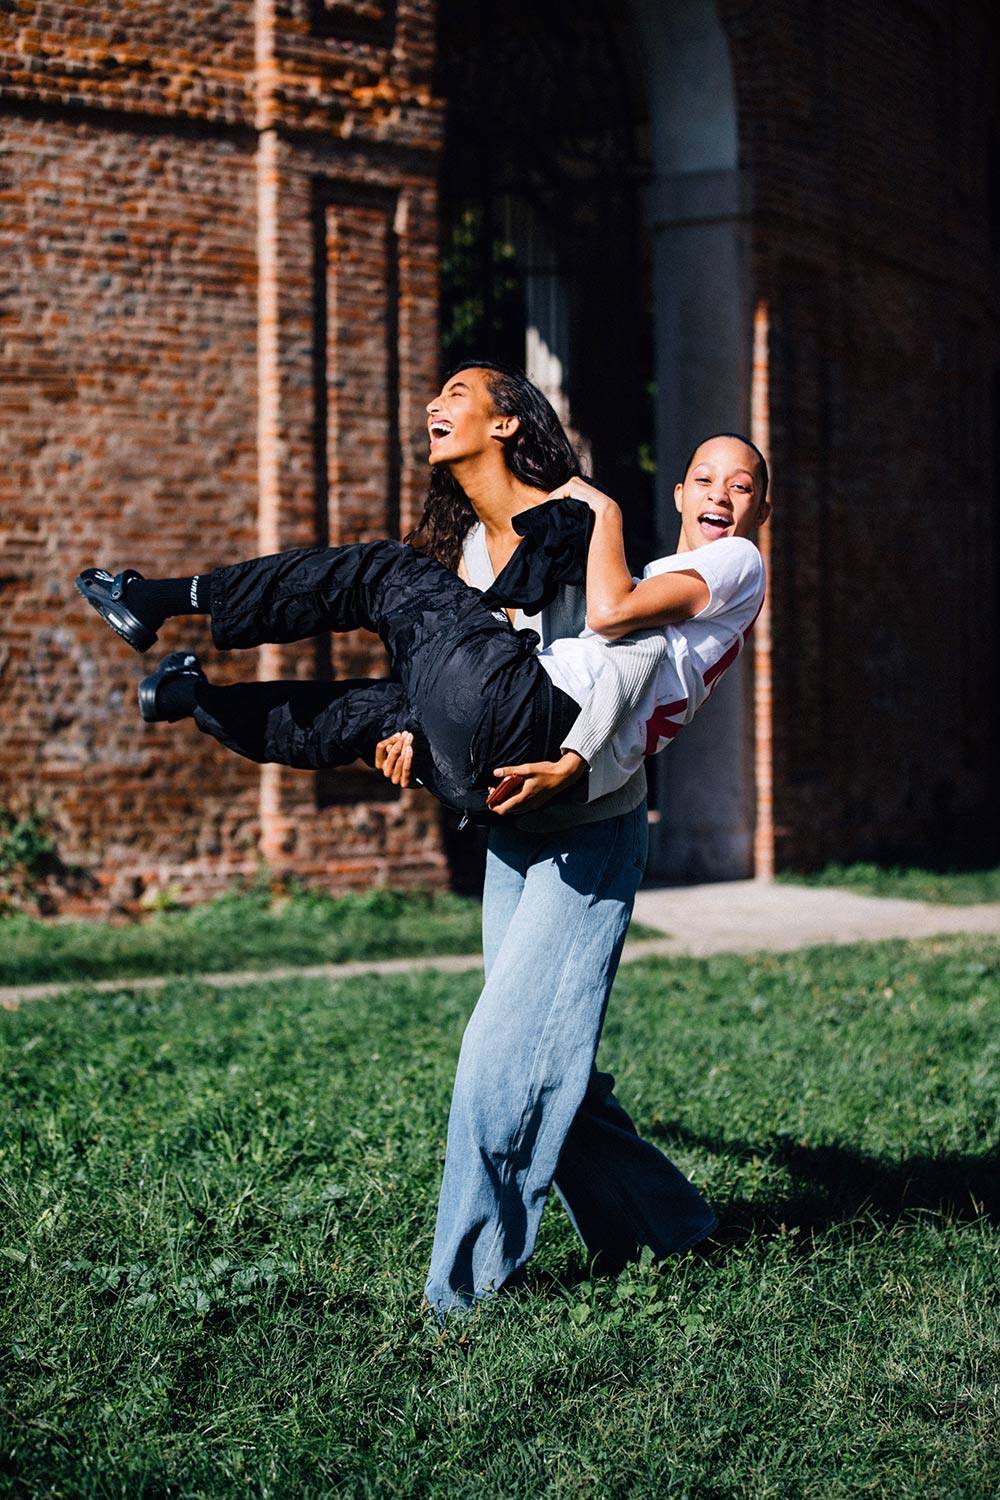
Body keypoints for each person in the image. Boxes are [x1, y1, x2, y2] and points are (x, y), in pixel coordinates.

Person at [75, 362, 769, 1319]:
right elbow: (545, 657)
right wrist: (426, 735)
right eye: (707, 479)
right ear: (682, 492)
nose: (722, 496)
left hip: (580, 821)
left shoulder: (617, 536)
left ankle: (464, 1296)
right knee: (374, 720)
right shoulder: (583, 566)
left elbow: (618, 658)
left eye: (742, 485)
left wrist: (569, 754)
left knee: (503, 1063)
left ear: (512, 423)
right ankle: (671, 1229)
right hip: (506, 812)